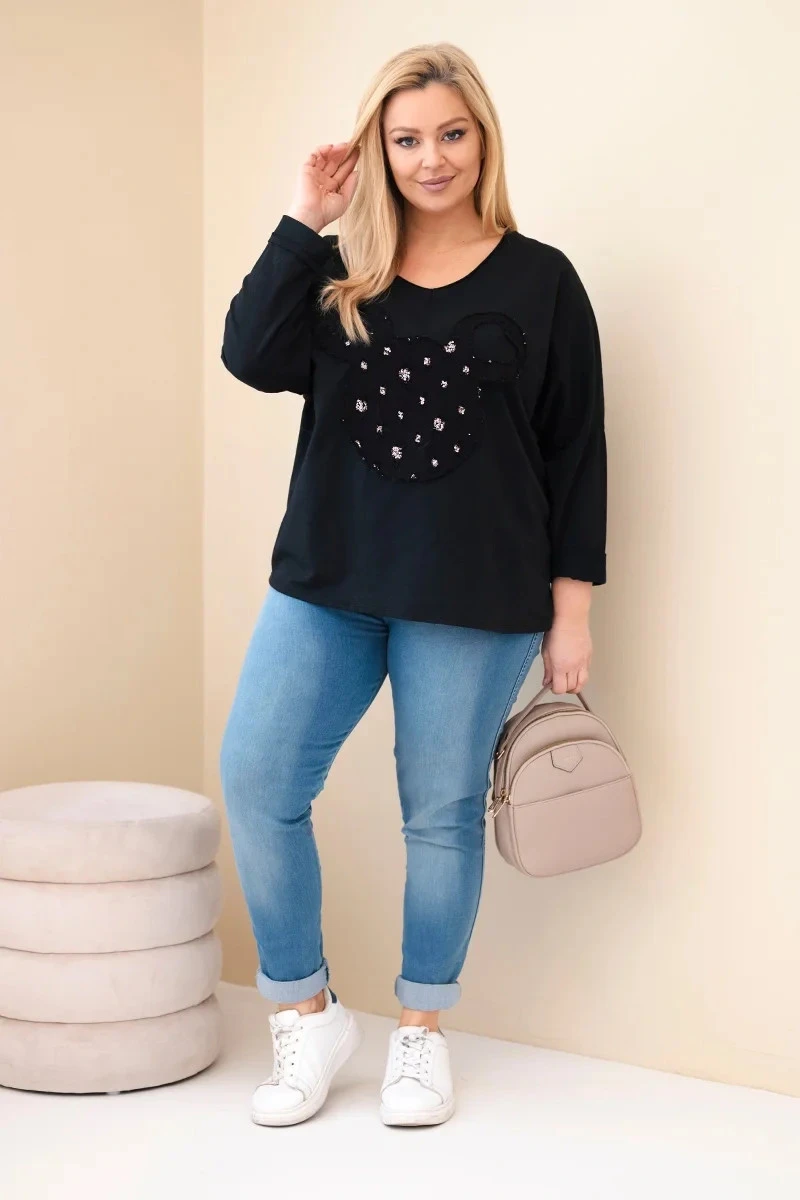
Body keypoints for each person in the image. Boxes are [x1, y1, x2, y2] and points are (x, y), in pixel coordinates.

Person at [218, 41, 607, 1129]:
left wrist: (571, 611)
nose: (430, 158)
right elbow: (247, 353)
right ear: (376, 151)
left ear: (481, 140)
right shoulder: (341, 273)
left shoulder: (541, 280)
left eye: (450, 134)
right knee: (256, 777)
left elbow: (575, 452)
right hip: (327, 580)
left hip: (476, 596)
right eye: (405, 139)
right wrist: (305, 216)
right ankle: (305, 1016)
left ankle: (421, 1034)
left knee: (437, 818)